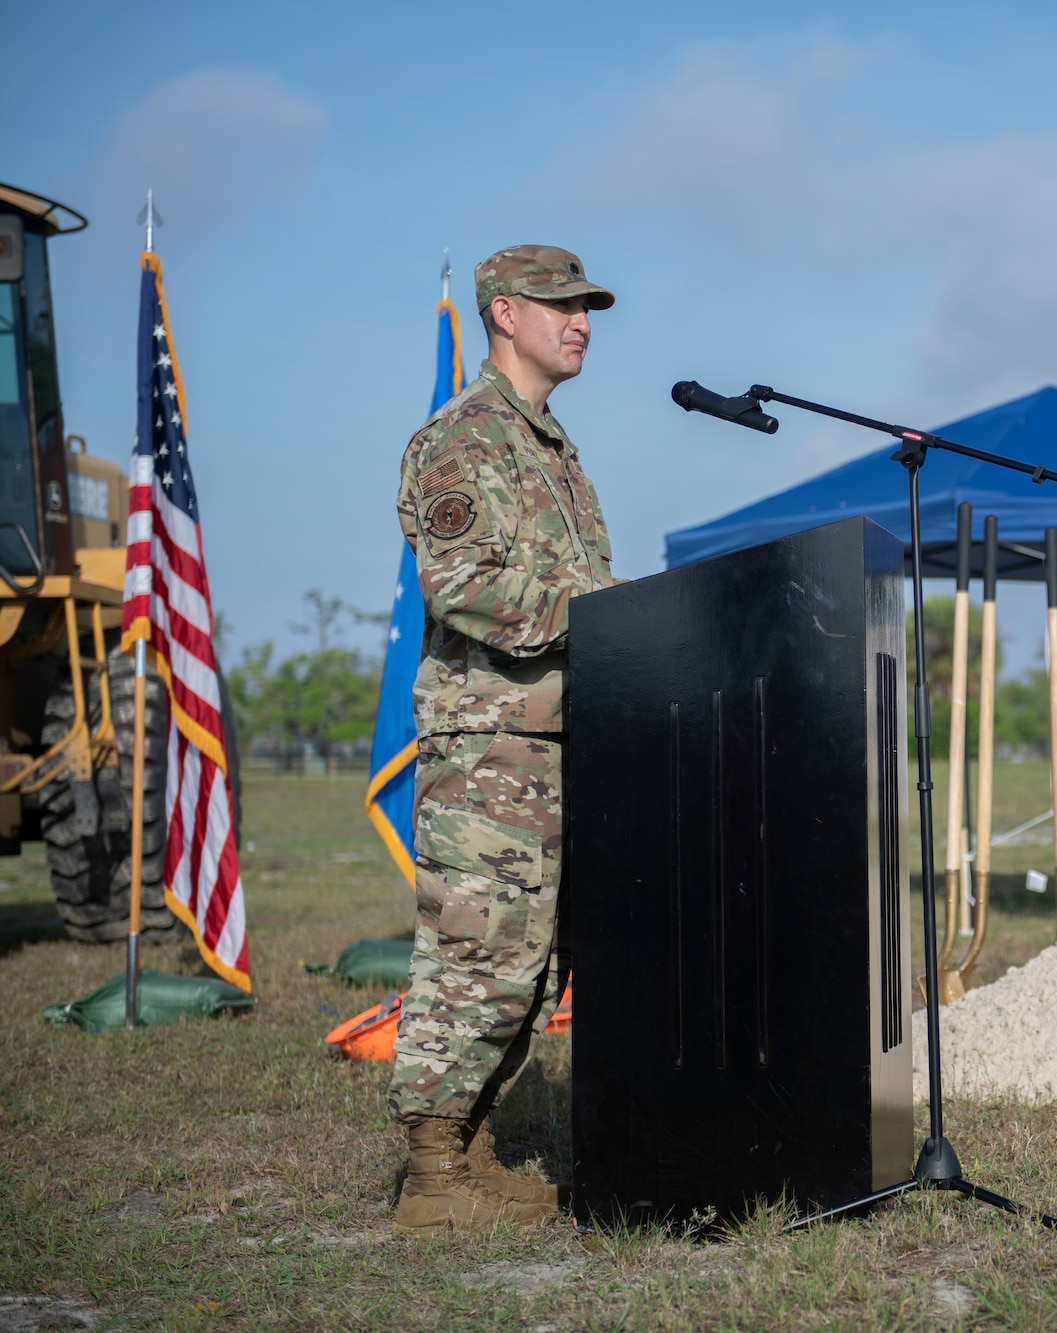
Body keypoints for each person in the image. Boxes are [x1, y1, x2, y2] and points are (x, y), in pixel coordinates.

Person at [387, 246, 618, 1231]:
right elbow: (465, 588)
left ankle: (472, 1154)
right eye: (564, 306)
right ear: (505, 312)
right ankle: (432, 1176)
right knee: (477, 954)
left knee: (533, 960)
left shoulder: (551, 448)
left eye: (587, 308)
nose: (582, 323)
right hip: (489, 751)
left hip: (557, 742)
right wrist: (610, 612)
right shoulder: (463, 440)